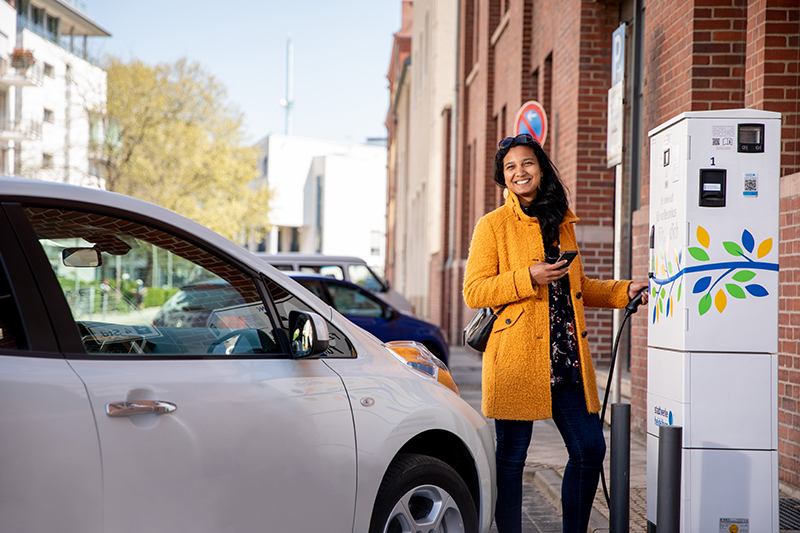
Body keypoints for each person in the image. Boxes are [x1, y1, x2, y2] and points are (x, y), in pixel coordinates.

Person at [462, 133, 648, 533]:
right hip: (516, 358)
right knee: (512, 457)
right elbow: (474, 290)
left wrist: (622, 290)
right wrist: (527, 276)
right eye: (510, 167)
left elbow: (576, 287)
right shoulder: (492, 226)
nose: (519, 172)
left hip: (565, 356)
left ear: (541, 167)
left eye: (527, 163)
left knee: (589, 449)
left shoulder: (561, 222)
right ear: (504, 178)